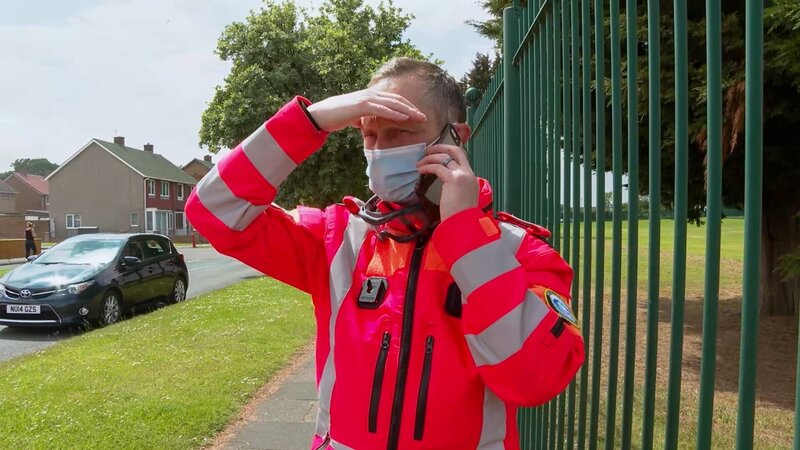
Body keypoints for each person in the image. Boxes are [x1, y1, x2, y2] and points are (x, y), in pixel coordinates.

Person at [186, 57, 584, 450]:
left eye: (398, 133)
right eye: (369, 134)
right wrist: (311, 122)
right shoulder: (337, 237)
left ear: (455, 137)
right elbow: (214, 211)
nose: (378, 151)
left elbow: (535, 380)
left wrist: (465, 234)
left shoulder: (521, 251)